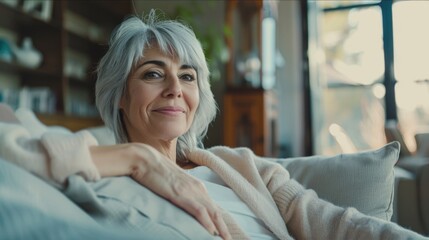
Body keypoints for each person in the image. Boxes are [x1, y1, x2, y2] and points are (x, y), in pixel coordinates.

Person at [0, 11, 427, 240]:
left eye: (187, 76)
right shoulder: (95, 169)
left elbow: (334, 224)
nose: (174, 88)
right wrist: (136, 158)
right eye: (152, 73)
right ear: (120, 95)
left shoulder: (241, 166)